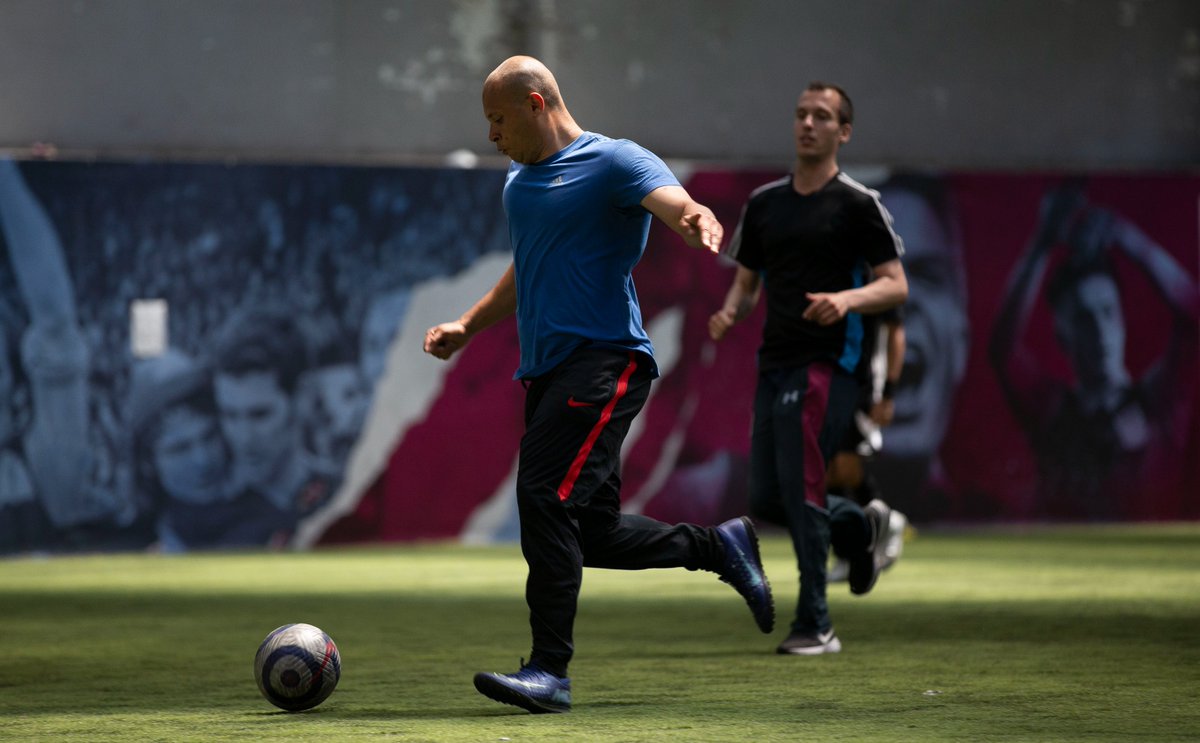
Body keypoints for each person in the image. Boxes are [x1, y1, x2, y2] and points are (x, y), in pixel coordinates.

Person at [422, 55, 774, 714]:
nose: (492, 137)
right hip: (550, 371)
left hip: (605, 361)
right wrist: (467, 326)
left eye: (497, 121)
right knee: (590, 532)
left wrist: (695, 217)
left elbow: (673, 200)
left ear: (534, 103)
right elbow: (527, 269)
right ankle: (717, 545)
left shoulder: (615, 161)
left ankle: (549, 671)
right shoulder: (518, 183)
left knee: (541, 494)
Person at [708, 82, 908, 655]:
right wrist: (729, 312)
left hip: (829, 363)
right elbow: (746, 284)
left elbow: (896, 283)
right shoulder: (765, 204)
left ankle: (815, 622)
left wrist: (846, 301)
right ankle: (858, 527)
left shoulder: (858, 205)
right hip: (774, 361)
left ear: (843, 131)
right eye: (801, 114)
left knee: (803, 487)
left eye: (822, 116)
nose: (808, 124)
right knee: (769, 499)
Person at [989, 179, 1199, 519]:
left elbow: (1193, 315)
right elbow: (1002, 349)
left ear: (1121, 321)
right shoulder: (1056, 413)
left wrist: (1126, 237)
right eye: (1084, 319)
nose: (1100, 331)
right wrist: (1042, 244)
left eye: (1107, 313)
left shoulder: (1159, 404)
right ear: (1062, 336)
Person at [864, 175, 968, 522]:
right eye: (874, 277)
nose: (903, 299)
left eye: (926, 274)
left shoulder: (989, 511)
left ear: (962, 336)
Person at [211, 306, 340, 540]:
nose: (244, 437)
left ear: (301, 400)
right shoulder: (209, 511)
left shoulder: (342, 495)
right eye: (230, 415)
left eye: (260, 415)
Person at [827, 303, 908, 582]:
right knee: (827, 471)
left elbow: (896, 333)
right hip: (826, 380)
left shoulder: (872, 275)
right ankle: (846, 554)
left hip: (862, 385)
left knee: (847, 467)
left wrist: (888, 392)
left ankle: (885, 520)